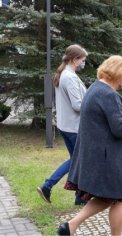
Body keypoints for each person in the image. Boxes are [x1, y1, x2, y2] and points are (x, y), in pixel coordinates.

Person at [57, 55, 122, 235]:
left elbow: (110, 120)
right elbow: (120, 129)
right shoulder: (108, 94)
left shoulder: (95, 89)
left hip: (98, 155)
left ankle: (71, 226)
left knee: (108, 198)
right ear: (117, 74)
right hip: (108, 159)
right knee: (119, 199)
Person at [37, 44, 88, 205]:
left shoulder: (64, 74)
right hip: (74, 127)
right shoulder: (70, 77)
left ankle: (79, 196)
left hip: (66, 126)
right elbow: (78, 105)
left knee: (77, 160)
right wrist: (94, 106)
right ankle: (48, 185)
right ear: (74, 59)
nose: (83, 63)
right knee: (77, 160)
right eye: (83, 60)